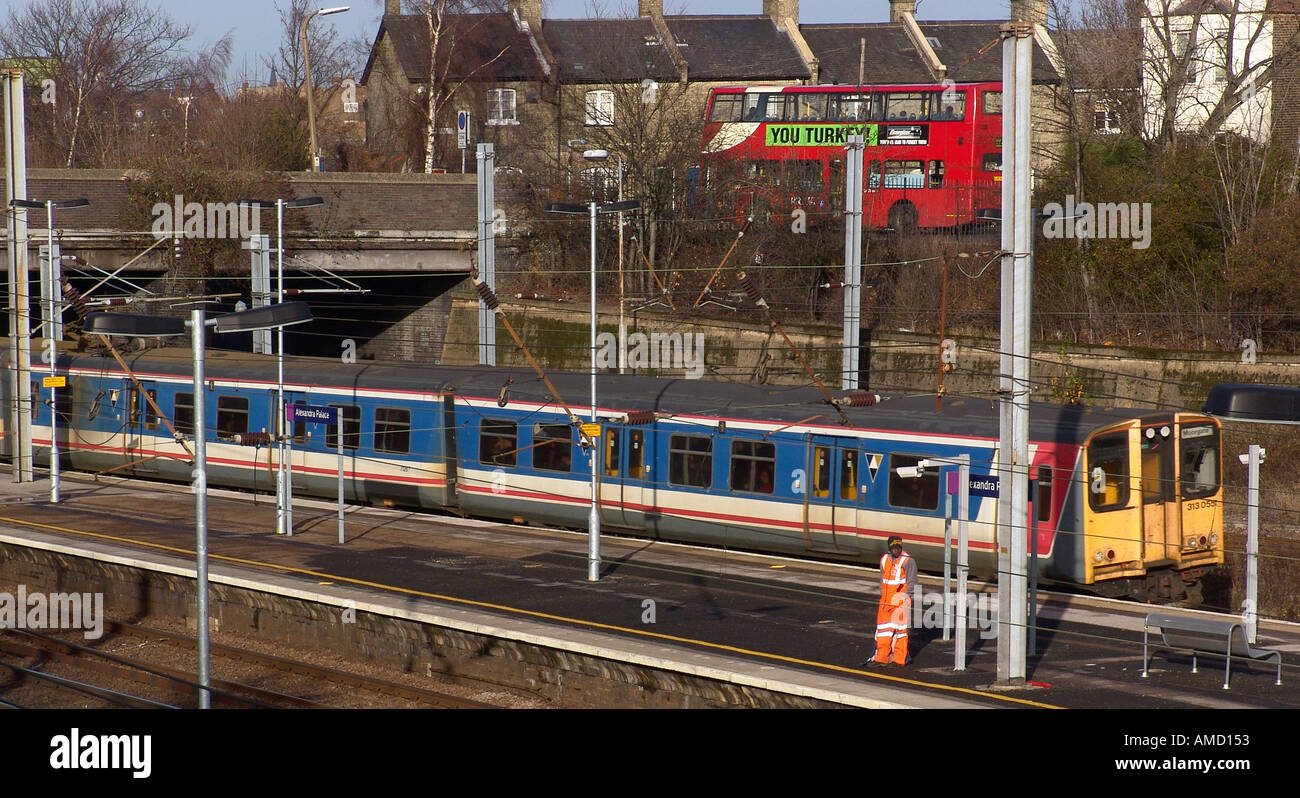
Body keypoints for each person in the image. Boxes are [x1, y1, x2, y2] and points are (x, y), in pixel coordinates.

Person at [870, 535, 917, 666]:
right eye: (893, 547)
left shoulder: (908, 561)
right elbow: (882, 580)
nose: (896, 550)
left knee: (901, 632)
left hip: (900, 603)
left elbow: (912, 582)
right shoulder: (884, 560)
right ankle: (881, 658)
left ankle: (899, 659)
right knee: (883, 631)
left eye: (898, 547)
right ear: (889, 548)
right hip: (885, 603)